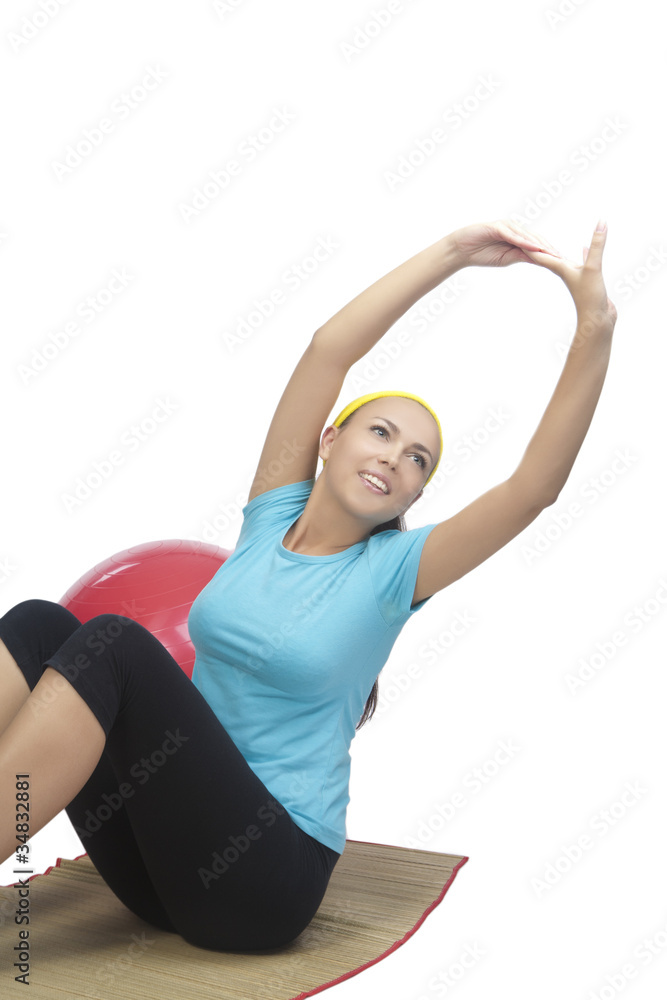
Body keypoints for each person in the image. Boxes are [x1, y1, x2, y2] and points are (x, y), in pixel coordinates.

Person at [0, 219, 617, 953]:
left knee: (113, 644)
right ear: (329, 440)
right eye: (381, 432)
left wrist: (595, 326)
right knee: (39, 624)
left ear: (415, 494)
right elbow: (329, 349)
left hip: (260, 881)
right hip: (161, 865)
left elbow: (533, 489)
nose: (394, 458)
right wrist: (451, 254)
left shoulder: (395, 572)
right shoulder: (270, 517)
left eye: (417, 459)